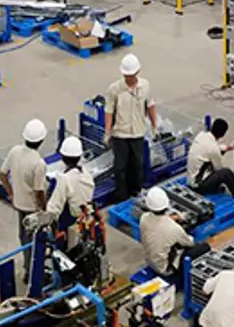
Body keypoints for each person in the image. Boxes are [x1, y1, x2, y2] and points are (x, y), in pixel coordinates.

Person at [104, 53, 157, 203]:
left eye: (132, 75)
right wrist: (107, 132)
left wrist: (154, 125)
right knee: (120, 167)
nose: (129, 78)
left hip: (137, 133)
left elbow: (150, 105)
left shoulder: (145, 86)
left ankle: (136, 192)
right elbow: (109, 111)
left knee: (137, 165)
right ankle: (121, 196)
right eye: (127, 75)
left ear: (137, 72)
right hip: (120, 134)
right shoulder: (114, 89)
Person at [32, 135, 96, 247]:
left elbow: (54, 208)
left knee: (64, 249)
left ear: (62, 157)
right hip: (86, 218)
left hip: (69, 222)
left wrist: (39, 218)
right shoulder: (86, 174)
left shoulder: (64, 179)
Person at [0, 118, 49, 244]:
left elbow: (2, 174)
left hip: (18, 204)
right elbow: (39, 192)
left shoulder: (15, 151)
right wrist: (45, 211)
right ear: (41, 141)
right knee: (34, 240)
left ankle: (26, 253)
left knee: (23, 236)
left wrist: (11, 194)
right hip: (33, 209)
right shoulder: (39, 163)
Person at [140, 185, 208, 278]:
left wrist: (172, 219)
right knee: (204, 246)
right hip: (166, 269)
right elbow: (190, 243)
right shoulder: (174, 228)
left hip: (150, 262)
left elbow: (158, 224)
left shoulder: (144, 218)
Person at [188, 117, 234, 201]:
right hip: (198, 186)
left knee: (209, 161)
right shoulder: (214, 149)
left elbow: (213, 148)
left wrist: (228, 147)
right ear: (223, 134)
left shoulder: (201, 135)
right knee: (226, 173)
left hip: (191, 178)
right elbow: (218, 169)